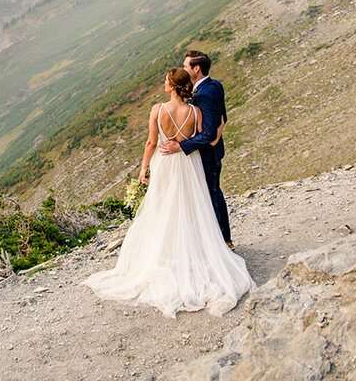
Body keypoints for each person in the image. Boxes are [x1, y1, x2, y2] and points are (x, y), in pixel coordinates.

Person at [83, 68, 254, 318]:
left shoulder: (158, 110)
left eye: (166, 81)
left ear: (172, 87)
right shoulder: (195, 112)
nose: (163, 83)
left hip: (164, 164)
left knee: (163, 210)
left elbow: (151, 143)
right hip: (189, 164)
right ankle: (194, 257)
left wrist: (143, 168)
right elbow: (204, 137)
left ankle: (167, 258)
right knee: (191, 208)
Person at [160, 50, 231, 245]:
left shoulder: (204, 95)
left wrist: (181, 146)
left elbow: (207, 133)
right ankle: (225, 240)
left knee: (209, 199)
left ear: (196, 69)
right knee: (216, 194)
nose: (183, 68)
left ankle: (221, 245)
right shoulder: (215, 85)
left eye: (185, 66)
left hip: (207, 155)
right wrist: (220, 129)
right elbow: (222, 116)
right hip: (216, 152)